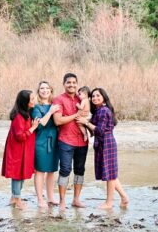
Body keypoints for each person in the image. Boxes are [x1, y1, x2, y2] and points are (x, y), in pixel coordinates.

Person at [1, 90, 56, 209]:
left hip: (24, 150)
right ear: (25, 102)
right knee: (17, 174)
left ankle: (14, 197)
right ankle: (17, 200)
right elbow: (20, 136)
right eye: (32, 99)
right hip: (17, 151)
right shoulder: (18, 117)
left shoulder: (26, 114)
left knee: (21, 173)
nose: (34, 101)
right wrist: (33, 128)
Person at [54, 72, 90, 209]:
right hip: (66, 140)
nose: (71, 85)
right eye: (68, 82)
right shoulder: (58, 99)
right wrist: (76, 115)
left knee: (80, 170)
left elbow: (88, 114)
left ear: (77, 84)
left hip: (82, 140)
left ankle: (76, 199)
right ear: (64, 84)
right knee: (65, 169)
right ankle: (62, 200)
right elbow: (58, 121)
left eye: (74, 82)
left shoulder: (82, 98)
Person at [90, 87, 128, 210]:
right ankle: (124, 198)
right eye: (93, 96)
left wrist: (86, 123)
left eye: (98, 96)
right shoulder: (98, 110)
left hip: (106, 143)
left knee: (110, 175)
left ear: (104, 97)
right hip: (104, 143)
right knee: (110, 173)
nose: (95, 98)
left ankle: (109, 203)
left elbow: (100, 130)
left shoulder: (103, 110)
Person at [31, 81, 61, 208]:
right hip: (41, 141)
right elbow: (42, 122)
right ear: (38, 92)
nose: (44, 90)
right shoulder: (36, 108)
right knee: (40, 171)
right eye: (42, 88)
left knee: (51, 171)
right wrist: (50, 112)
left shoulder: (56, 105)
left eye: (47, 88)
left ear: (51, 90)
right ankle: (40, 199)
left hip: (55, 141)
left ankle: (51, 197)